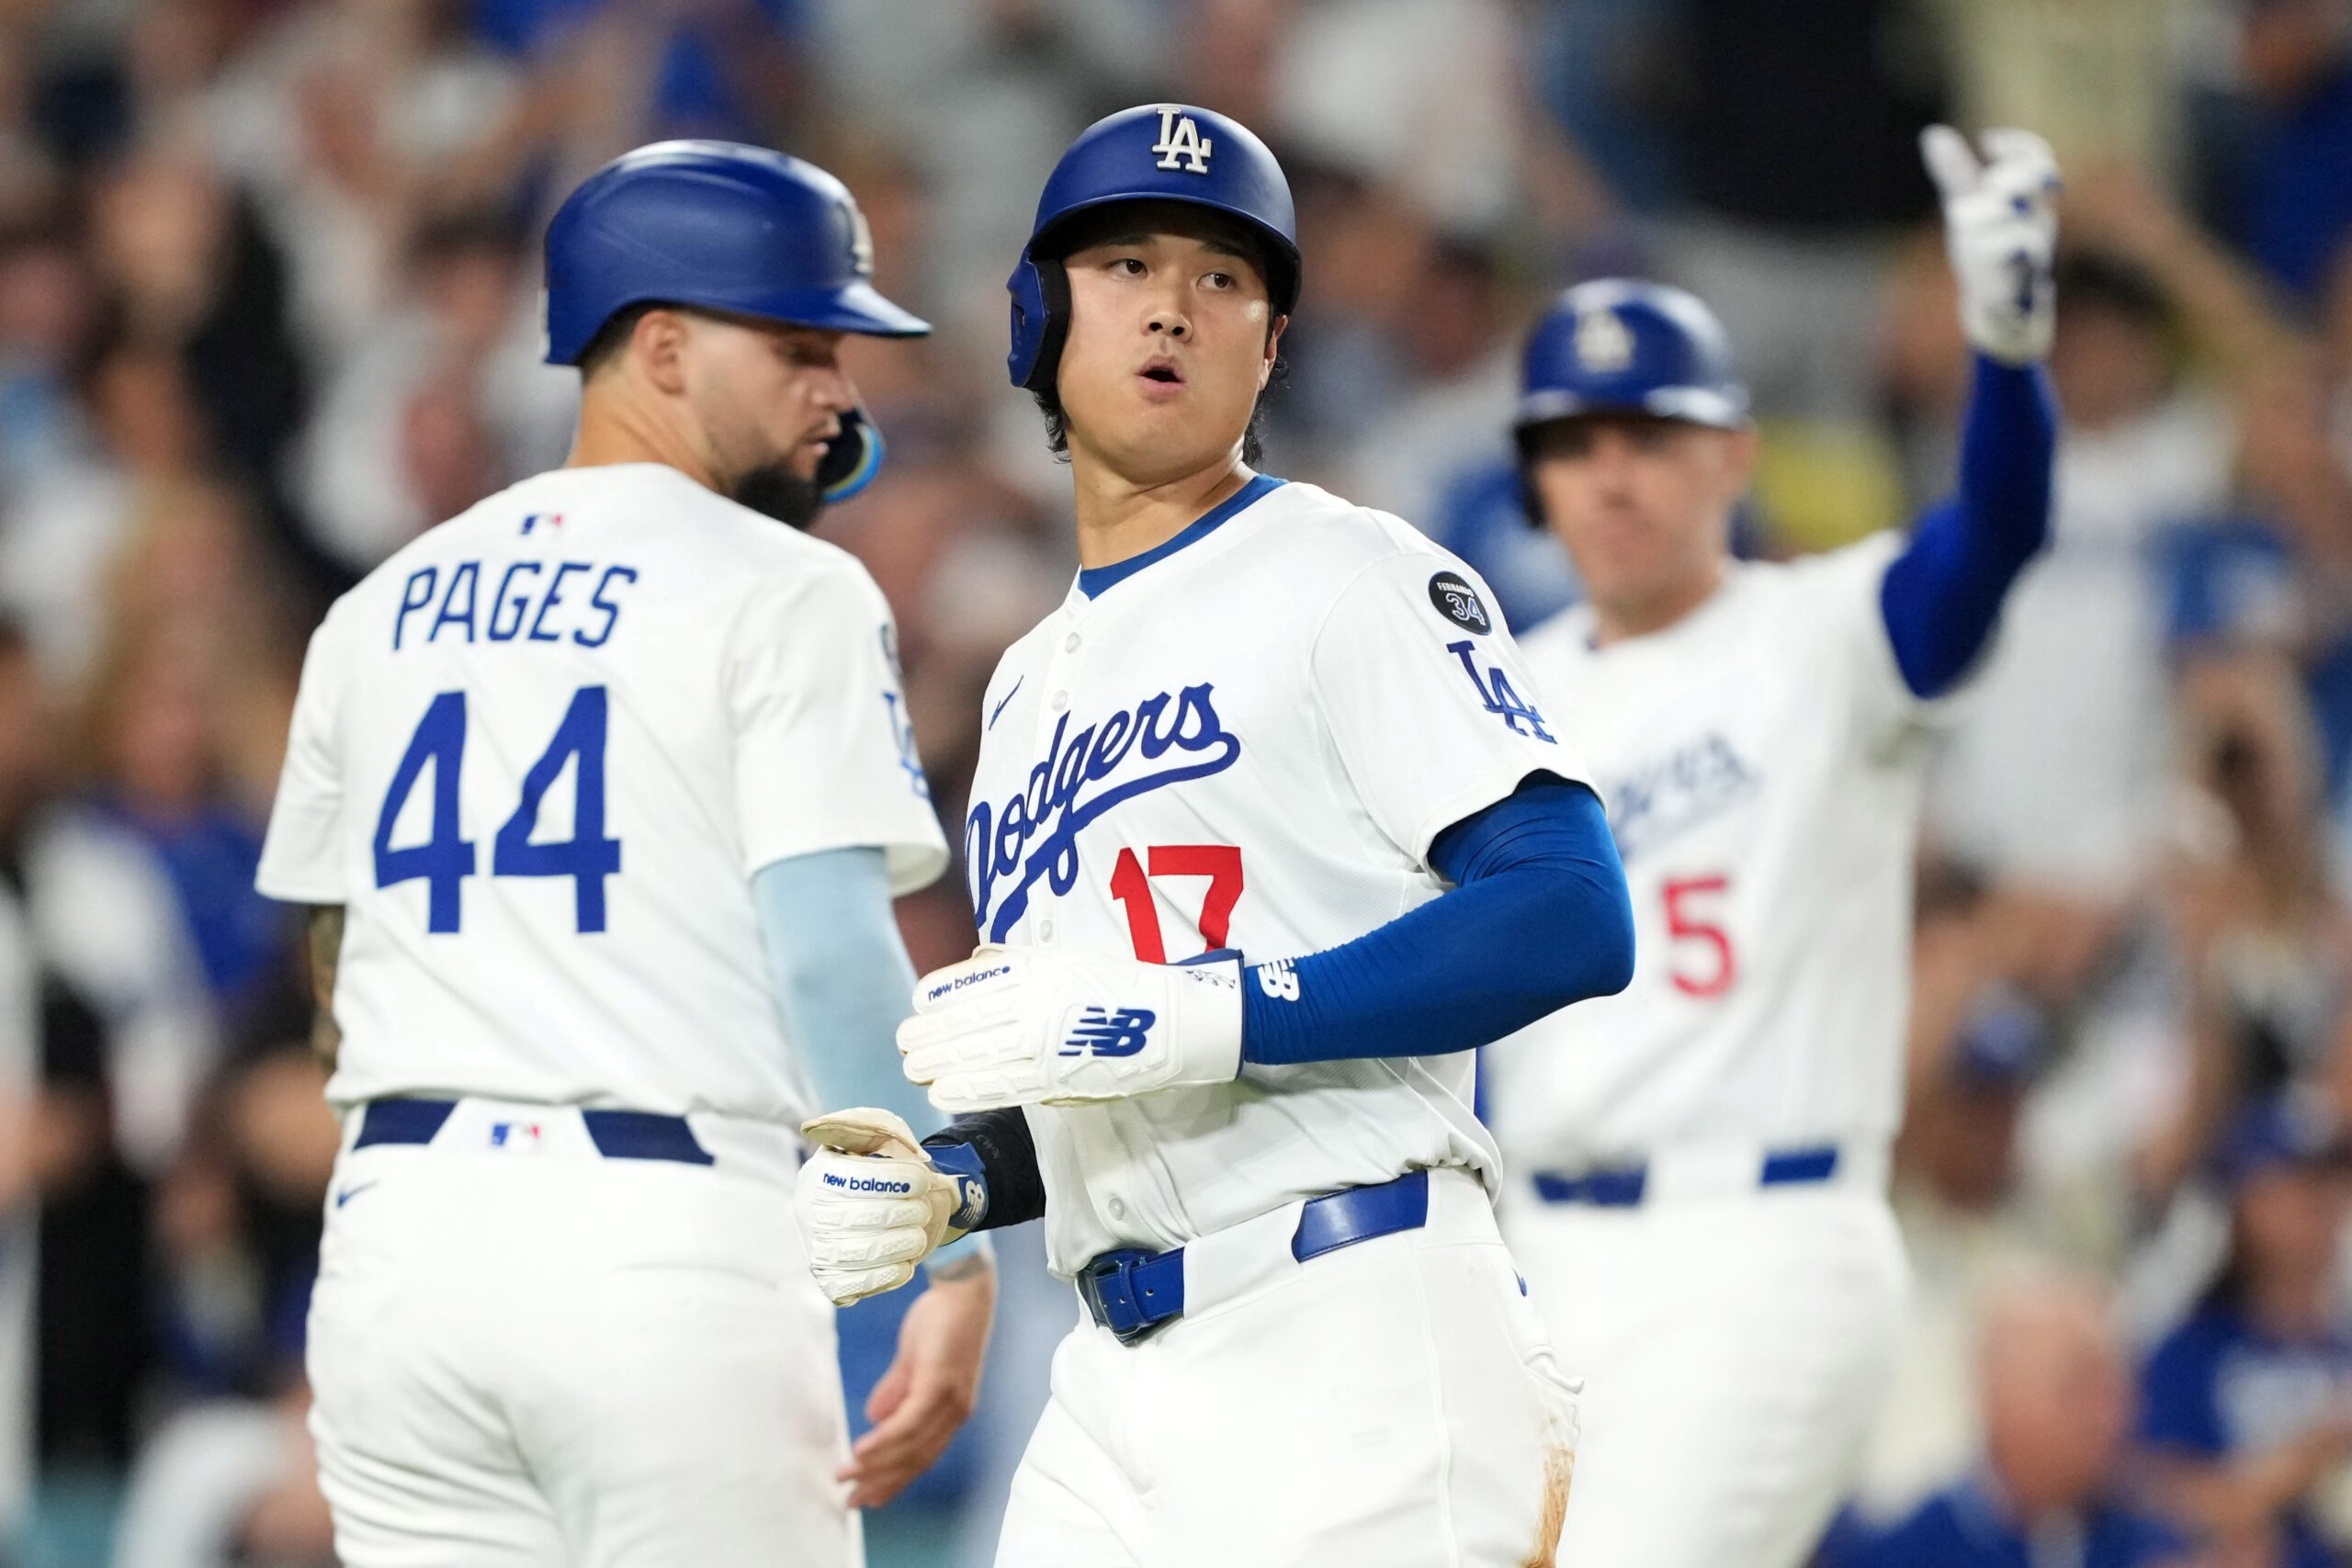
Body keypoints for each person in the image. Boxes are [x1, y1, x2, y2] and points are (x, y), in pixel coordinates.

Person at [791, 104, 1634, 1566]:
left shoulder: (1345, 570)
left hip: (1347, 1313)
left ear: (1271, 344)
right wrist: (960, 1182)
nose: (1174, 302)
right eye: (1124, 263)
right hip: (1112, 1377)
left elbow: (1570, 904)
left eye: (1224, 276)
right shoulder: (1023, 684)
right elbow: (1096, 1060)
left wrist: (1190, 1009)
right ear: (1039, 318)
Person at [253, 140, 994, 1566]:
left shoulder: (378, 603)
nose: (839, 392)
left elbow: (334, 960)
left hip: (401, 1251)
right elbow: (837, 961)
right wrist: (948, 1249)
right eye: (797, 345)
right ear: (660, 346)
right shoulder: (786, 588)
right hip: (663, 1248)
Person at [1479, 126, 2063, 1568]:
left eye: (1651, 436)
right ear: (1535, 477)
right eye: (1577, 441)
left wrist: (2004, 353)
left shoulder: (1821, 634)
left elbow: (1993, 535)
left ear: (1734, 453)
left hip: (1763, 1240)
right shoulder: (1493, 692)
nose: (1613, 476)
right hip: (1535, 1255)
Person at [1836, 1274, 2189, 1568]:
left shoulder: (2164, 1542)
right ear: (1999, 1398)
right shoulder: (1904, 1552)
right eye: (2081, 1388)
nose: (2112, 1416)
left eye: (2117, 1387)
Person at [2137, 1093, 2352, 1567]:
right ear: (2241, 1201)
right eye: (2295, 1181)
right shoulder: (2185, 1355)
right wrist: (2309, 1456)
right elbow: (2152, 1499)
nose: (2319, 1201)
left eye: (2332, 1180)